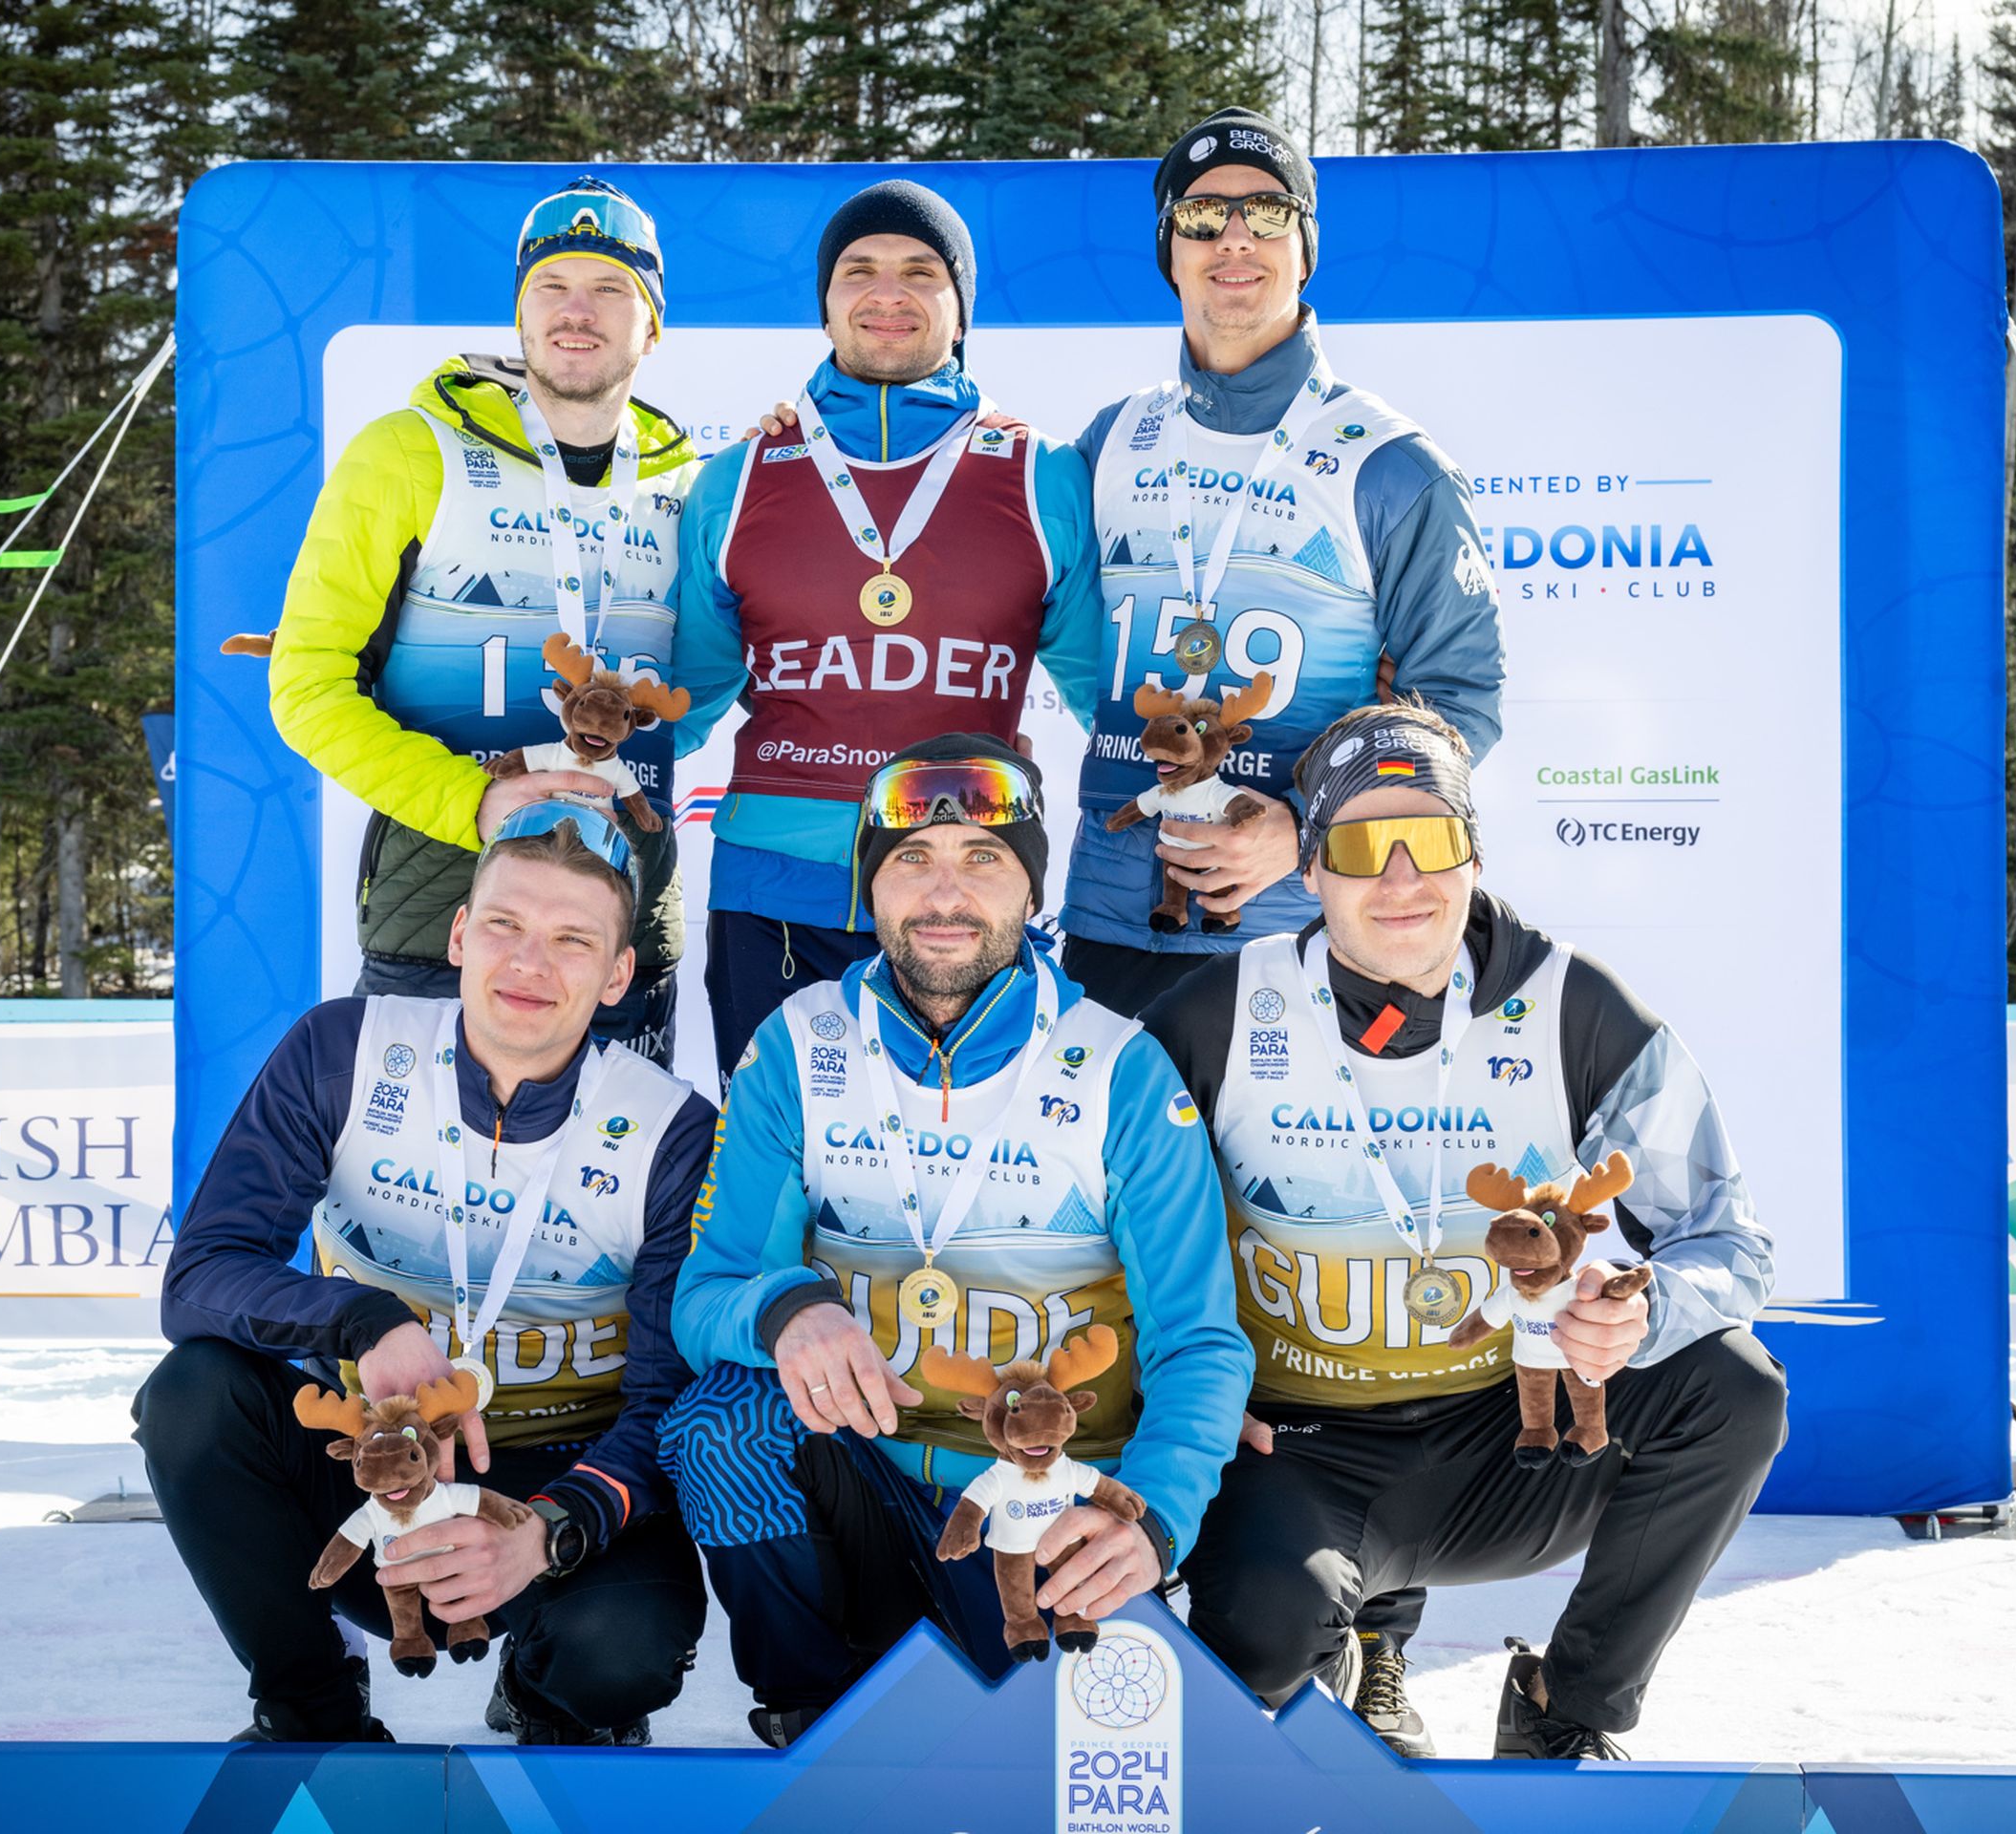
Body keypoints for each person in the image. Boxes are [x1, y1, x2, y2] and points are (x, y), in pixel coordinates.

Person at [1141, 700, 1786, 1760]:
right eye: (1357, 846)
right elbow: (1113, 1233)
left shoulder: (1573, 1006)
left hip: (1512, 1438)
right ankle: (1327, 1651)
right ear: (1310, 870)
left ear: (1474, 853)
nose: (1402, 879)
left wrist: (1646, 1313)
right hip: (1300, 1448)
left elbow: (1728, 1238)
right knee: (1252, 1649)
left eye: (1432, 840)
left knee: (1733, 1388)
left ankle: (1566, 1712)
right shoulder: (1214, 1016)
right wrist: (1180, 1399)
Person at [654, 736, 1251, 1747]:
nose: (944, 893)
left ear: (1029, 891)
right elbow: (706, 1295)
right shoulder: (798, 1045)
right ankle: (810, 1713)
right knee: (720, 1423)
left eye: (983, 859)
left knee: (1074, 1766)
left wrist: (1149, 1518)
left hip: (1046, 1508)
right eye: (911, 863)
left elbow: (1199, 1342)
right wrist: (786, 1309)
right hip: (867, 1485)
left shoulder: (1118, 1068)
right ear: (870, 893)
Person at [135, 802, 715, 1745]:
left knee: (624, 1652)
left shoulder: (669, 1129)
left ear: (617, 977)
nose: (528, 964)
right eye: (504, 926)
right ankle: (312, 1714)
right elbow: (200, 1278)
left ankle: (546, 1696)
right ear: (458, 934)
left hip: (557, 1485)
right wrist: (363, 1320)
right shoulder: (344, 1050)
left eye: (572, 941)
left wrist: (550, 1529)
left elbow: (665, 1403)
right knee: (193, 1396)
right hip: (376, 1467)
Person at [1061, 109, 1507, 1018]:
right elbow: (1077, 651)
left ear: (1304, 251)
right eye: (1201, 217)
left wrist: (1304, 828)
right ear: (1169, 252)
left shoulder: (1389, 463)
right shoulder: (1110, 442)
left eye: (1267, 214)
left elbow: (1461, 702)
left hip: (1300, 930)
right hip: (1110, 921)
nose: (1234, 238)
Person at [673, 181, 1104, 1081]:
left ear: (961, 307)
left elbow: (1107, 694)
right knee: (771, 1189)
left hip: (965, 899)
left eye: (920, 271)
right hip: (773, 902)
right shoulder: (739, 477)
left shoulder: (1039, 475)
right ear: (826, 303)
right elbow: (680, 700)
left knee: (962, 1189)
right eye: (858, 271)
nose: (887, 292)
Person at [263, 175, 696, 1058]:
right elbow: (305, 688)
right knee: (412, 1197)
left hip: (625, 932)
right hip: (441, 921)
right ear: (519, 313)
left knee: (619, 1194)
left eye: (612, 289)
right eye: (552, 287)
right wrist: (478, 800)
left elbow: (718, 678)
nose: (577, 311)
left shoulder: (695, 481)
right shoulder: (409, 450)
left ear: (652, 325)